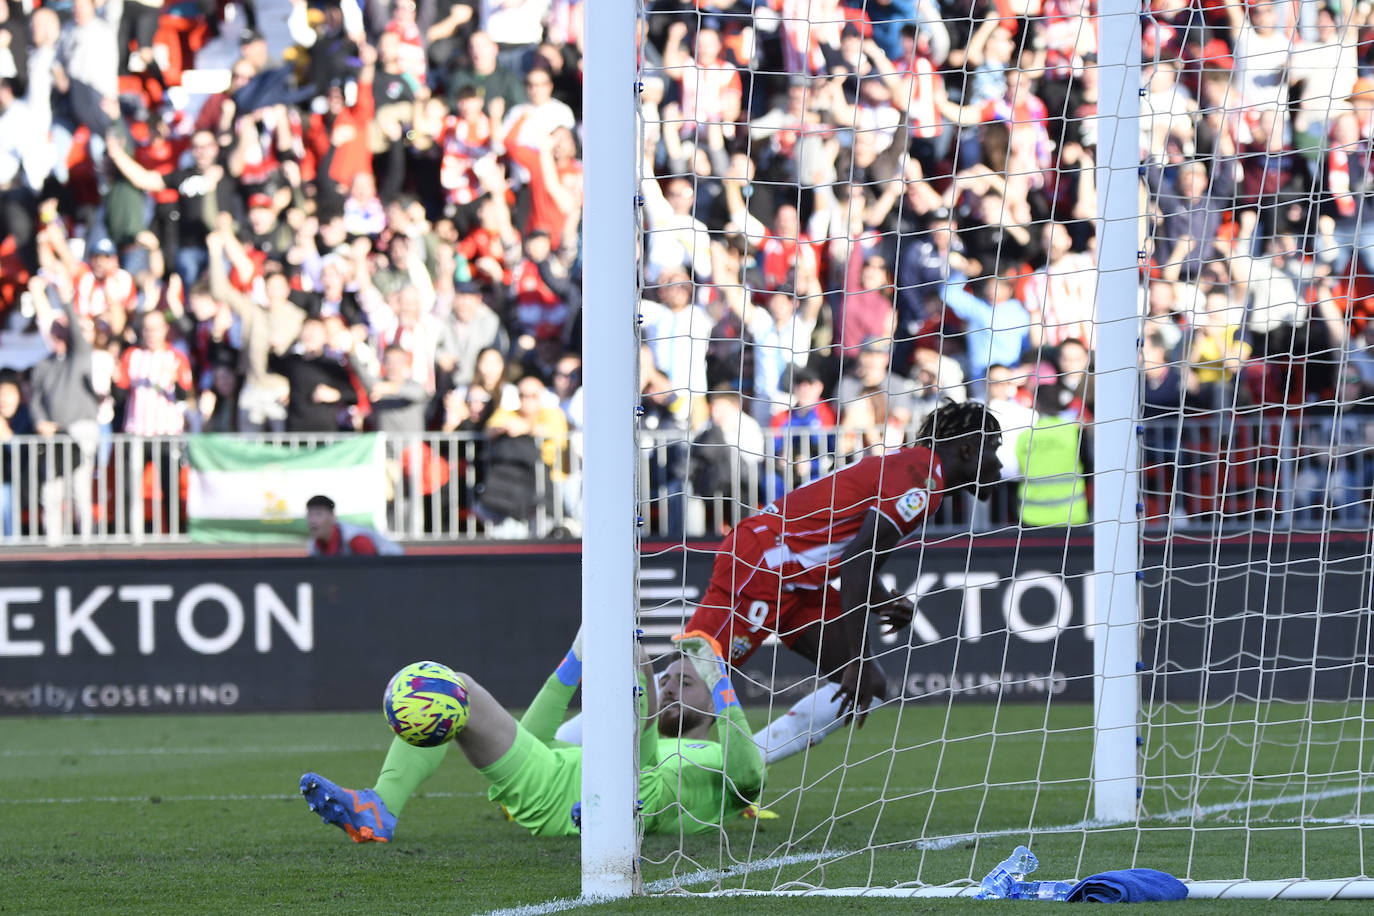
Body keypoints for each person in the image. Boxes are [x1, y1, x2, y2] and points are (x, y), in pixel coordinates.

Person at [561, 401, 1004, 765]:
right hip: (764, 563)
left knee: (868, 684)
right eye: (993, 448)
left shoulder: (919, 474)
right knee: (692, 686)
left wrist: (882, 600)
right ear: (967, 448)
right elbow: (855, 566)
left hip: (794, 577)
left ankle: (740, 766)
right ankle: (564, 750)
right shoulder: (923, 480)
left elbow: (851, 558)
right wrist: (855, 653)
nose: (998, 463)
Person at [299, 630, 764, 840]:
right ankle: (378, 806)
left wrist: (717, 675)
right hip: (550, 785)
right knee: (451, 690)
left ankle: (611, 814)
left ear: (713, 704)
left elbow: (752, 776)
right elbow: (536, 737)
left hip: (637, 803)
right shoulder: (639, 737)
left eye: (685, 681)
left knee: (638, 771)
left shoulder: (719, 756)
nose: (670, 686)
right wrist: (577, 655)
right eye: (666, 679)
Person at [305, 493, 404, 556]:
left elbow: (372, 572)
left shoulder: (357, 540)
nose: (312, 520)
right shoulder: (313, 545)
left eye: (318, 514)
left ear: (332, 517)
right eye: (310, 515)